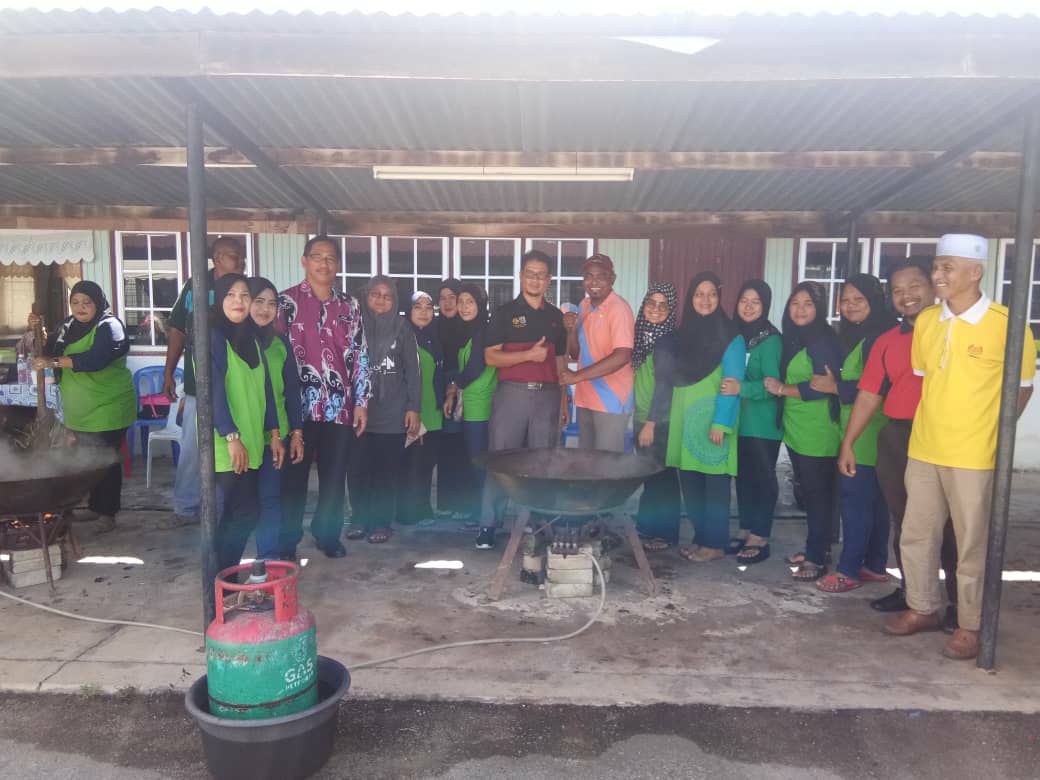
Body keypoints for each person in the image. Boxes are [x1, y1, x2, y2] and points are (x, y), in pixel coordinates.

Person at [883, 234, 1035, 660]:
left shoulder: (1007, 324)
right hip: (924, 448)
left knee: (971, 544)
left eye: (947, 267)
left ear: (976, 272)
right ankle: (922, 607)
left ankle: (970, 624)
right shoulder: (928, 322)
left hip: (974, 455)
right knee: (916, 534)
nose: (937, 275)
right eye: (936, 266)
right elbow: (925, 378)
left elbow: (1022, 389)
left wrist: (992, 435)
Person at [839, 261, 960, 622]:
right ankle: (914, 594)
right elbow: (869, 394)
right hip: (899, 435)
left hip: (949, 436)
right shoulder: (888, 340)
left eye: (914, 285)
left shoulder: (956, 330)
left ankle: (959, 604)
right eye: (897, 290)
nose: (906, 295)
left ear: (933, 286)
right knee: (905, 520)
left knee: (953, 526)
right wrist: (848, 443)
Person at [276, 236, 370, 560]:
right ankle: (287, 541)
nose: (324, 263)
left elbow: (360, 355)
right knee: (293, 478)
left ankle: (327, 534)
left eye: (330, 257)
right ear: (304, 261)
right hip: (296, 408)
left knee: (334, 477)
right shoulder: (284, 303)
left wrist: (361, 402)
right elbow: (275, 355)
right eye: (317, 256)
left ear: (338, 264)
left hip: (339, 406)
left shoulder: (350, 305)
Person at [646, 272, 745, 562]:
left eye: (711, 294)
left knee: (714, 487)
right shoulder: (682, 336)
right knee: (691, 485)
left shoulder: (731, 337)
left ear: (719, 297)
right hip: (684, 421)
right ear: (690, 298)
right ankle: (701, 538)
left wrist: (721, 423)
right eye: (699, 294)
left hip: (713, 421)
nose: (705, 300)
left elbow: (732, 382)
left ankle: (715, 544)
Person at [477, 250, 570, 550]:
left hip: (547, 397)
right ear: (521, 276)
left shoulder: (555, 318)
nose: (535, 279)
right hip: (512, 396)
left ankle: (539, 523)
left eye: (541, 275)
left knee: (543, 461)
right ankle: (489, 525)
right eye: (530, 273)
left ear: (549, 280)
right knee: (501, 460)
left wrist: (564, 401)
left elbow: (560, 362)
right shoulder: (504, 314)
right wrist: (528, 355)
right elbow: (491, 357)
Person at [813, 274, 898, 593]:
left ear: (874, 300)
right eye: (845, 300)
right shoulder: (859, 334)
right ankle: (874, 565)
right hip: (869, 428)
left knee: (855, 500)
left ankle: (848, 570)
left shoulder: (878, 337)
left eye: (858, 299)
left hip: (866, 429)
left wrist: (835, 387)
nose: (850, 306)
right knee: (875, 501)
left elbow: (878, 386)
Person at [32, 282, 136, 534]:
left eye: (87, 302)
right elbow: (49, 350)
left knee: (104, 460)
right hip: (80, 410)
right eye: (75, 302)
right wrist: (40, 334)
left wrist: (53, 361)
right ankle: (94, 506)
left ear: (98, 303)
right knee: (87, 460)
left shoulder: (110, 326)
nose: (80, 307)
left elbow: (95, 359)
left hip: (108, 406)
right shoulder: (68, 326)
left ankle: (107, 513)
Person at [163, 236, 246, 526]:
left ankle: (220, 509)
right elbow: (177, 330)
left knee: (229, 448)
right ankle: (187, 506)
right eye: (231, 255)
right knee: (193, 448)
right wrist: (168, 372)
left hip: (236, 386)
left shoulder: (245, 289)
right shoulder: (195, 286)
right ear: (216, 258)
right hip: (197, 384)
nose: (238, 260)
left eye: (240, 255)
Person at [765, 281, 842, 582]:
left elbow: (822, 386)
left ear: (819, 308)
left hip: (817, 430)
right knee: (809, 493)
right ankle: (817, 549)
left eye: (808, 303)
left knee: (818, 495)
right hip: (797, 428)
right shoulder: (795, 338)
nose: (800, 309)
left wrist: (782, 389)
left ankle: (816, 558)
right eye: (795, 303)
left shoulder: (823, 340)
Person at [207, 274, 282, 573]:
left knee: (240, 513)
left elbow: (266, 389)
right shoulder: (212, 337)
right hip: (227, 443)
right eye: (230, 295)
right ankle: (221, 577)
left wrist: (274, 433)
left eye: (244, 295)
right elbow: (212, 391)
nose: (238, 301)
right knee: (243, 512)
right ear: (218, 299)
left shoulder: (251, 338)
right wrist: (230, 436)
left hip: (251, 440)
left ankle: (222, 576)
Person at [346, 276, 421, 544]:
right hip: (358, 411)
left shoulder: (403, 328)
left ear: (395, 300)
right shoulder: (354, 325)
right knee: (357, 469)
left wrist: (413, 407)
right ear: (366, 297)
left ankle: (381, 522)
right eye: (375, 294)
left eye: (387, 296)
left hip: (392, 411)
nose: (381, 299)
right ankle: (359, 518)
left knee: (385, 472)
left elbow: (413, 371)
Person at [246, 277, 305, 561]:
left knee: (271, 500)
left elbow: (292, 390)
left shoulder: (280, 343)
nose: (265, 309)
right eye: (259, 301)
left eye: (272, 303)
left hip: (275, 438)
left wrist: (296, 433)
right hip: (242, 437)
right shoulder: (232, 342)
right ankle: (226, 565)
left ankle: (267, 564)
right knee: (240, 505)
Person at [729, 280, 783, 565]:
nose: (748, 307)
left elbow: (773, 386)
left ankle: (760, 535)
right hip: (739, 422)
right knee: (743, 478)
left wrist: (742, 388)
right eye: (744, 301)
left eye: (756, 302)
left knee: (762, 478)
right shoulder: (735, 335)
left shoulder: (770, 340)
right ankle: (746, 527)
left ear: (765, 306)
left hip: (763, 425)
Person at [560, 254, 635, 452]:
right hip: (586, 397)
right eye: (589, 276)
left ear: (612, 279)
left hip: (611, 399)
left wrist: (577, 376)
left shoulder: (619, 309)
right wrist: (570, 331)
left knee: (606, 462)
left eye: (601, 276)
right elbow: (576, 353)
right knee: (587, 460)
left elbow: (622, 355)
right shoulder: (584, 306)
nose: (594, 282)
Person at [631, 282, 682, 551]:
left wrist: (650, 424)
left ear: (671, 310)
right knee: (650, 476)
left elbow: (664, 386)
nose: (656, 309)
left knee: (662, 478)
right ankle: (648, 527)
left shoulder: (667, 343)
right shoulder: (643, 337)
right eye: (652, 303)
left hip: (659, 422)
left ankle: (665, 533)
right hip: (643, 418)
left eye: (664, 305)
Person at [443, 283, 498, 523]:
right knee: (477, 461)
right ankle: (483, 513)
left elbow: (475, 367)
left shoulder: (483, 331)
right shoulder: (467, 331)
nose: (464, 307)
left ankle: (484, 515)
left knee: (480, 462)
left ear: (480, 304)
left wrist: (454, 384)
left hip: (481, 404)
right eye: (461, 302)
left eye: (470, 302)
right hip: (472, 402)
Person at [400, 291, 445, 528]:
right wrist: (410, 409)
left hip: (433, 410)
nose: (424, 312)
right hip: (413, 410)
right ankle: (408, 512)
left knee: (427, 463)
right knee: (412, 465)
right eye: (418, 307)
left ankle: (423, 509)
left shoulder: (434, 337)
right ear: (409, 311)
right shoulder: (403, 337)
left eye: (429, 307)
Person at [434, 279, 470, 519]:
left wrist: (455, 386)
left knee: (459, 445)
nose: (447, 303)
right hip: (437, 388)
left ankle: (462, 503)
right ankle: (446, 502)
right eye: (443, 298)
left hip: (461, 387)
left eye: (452, 298)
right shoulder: (435, 326)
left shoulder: (467, 327)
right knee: (443, 446)